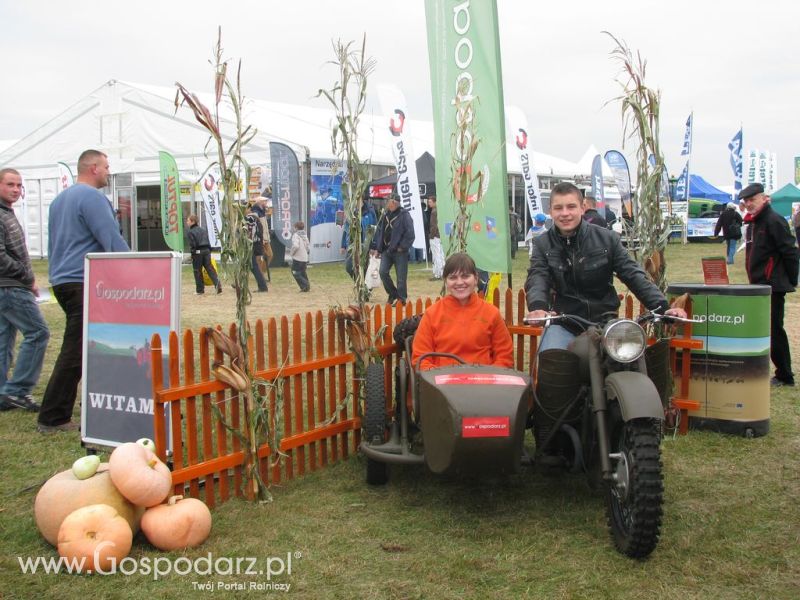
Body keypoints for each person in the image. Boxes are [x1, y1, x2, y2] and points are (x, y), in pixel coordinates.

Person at [525, 182, 686, 351]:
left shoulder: (607, 239)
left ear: (582, 208)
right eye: (558, 208)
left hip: (606, 322)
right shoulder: (542, 244)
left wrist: (662, 307)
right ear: (550, 211)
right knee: (550, 359)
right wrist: (537, 308)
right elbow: (537, 277)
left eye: (571, 206)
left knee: (631, 361)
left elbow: (632, 274)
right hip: (564, 323)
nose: (565, 213)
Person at [38, 150, 130, 433]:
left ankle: (86, 404)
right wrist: (137, 267)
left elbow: (72, 238)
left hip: (63, 281)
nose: (108, 171)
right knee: (77, 349)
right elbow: (111, 240)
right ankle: (53, 416)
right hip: (83, 280)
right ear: (92, 168)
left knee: (84, 345)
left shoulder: (59, 200)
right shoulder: (92, 198)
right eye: (105, 166)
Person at [0, 168, 50, 412]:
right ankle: (17, 391)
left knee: (4, 338)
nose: (16, 190)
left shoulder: (7, 212)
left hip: (11, 286)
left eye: (19, 185)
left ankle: (4, 394)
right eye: (10, 184)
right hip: (10, 287)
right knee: (38, 333)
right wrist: (25, 275)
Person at [411, 252, 514, 371]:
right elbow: (421, 358)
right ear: (446, 281)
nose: (459, 282)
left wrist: (489, 378)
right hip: (442, 385)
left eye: (465, 276)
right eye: (453, 277)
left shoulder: (492, 314)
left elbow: (505, 356)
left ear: (475, 279)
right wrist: (437, 378)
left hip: (484, 384)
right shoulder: (432, 314)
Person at [740, 183, 799, 387]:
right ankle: (772, 369)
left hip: (772, 286)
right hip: (759, 285)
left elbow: (790, 252)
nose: (749, 204)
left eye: (752, 200)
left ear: (764, 198)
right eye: (746, 201)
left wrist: (791, 279)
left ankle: (785, 375)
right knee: (765, 329)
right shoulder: (755, 223)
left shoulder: (774, 221)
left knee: (774, 330)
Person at [371, 194, 415, 306]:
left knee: (401, 277)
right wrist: (378, 249)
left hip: (400, 251)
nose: (387, 204)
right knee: (383, 272)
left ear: (394, 202)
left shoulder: (404, 215)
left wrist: (403, 247)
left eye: (388, 201)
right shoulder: (385, 214)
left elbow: (410, 233)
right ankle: (392, 294)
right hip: (387, 250)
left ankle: (401, 299)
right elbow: (381, 233)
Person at [340, 198, 378, 279]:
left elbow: (375, 229)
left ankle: (365, 286)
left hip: (366, 245)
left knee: (365, 268)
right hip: (352, 246)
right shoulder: (350, 211)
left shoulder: (370, 211)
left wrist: (374, 246)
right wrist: (343, 245)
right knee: (349, 267)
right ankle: (359, 282)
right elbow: (346, 230)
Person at [186, 214, 222, 295]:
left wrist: (192, 254)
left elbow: (193, 244)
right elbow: (208, 241)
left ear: (193, 221)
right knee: (210, 269)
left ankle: (200, 290)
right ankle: (217, 284)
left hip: (198, 252)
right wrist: (209, 250)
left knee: (197, 271)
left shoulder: (190, 232)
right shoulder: (203, 230)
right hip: (206, 251)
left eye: (188, 220)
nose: (187, 222)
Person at [245, 204, 269, 293]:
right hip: (257, 243)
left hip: (251, 244)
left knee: (253, 266)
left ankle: (262, 286)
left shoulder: (249, 218)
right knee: (251, 266)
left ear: (248, 209)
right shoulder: (256, 217)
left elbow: (250, 232)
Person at [288, 221, 310, 292]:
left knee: (295, 272)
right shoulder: (305, 235)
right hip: (304, 258)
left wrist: (291, 253)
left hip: (298, 258)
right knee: (303, 272)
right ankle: (306, 287)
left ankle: (305, 285)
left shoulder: (296, 235)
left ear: (296, 228)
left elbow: (296, 245)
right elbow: (308, 246)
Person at [426, 196, 444, 280]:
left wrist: (431, 236)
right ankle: (442, 272)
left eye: (430, 202)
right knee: (440, 254)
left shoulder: (434, 212)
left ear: (434, 202)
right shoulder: (439, 210)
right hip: (439, 235)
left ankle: (438, 274)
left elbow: (433, 225)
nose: (429, 203)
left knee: (436, 255)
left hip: (435, 236)